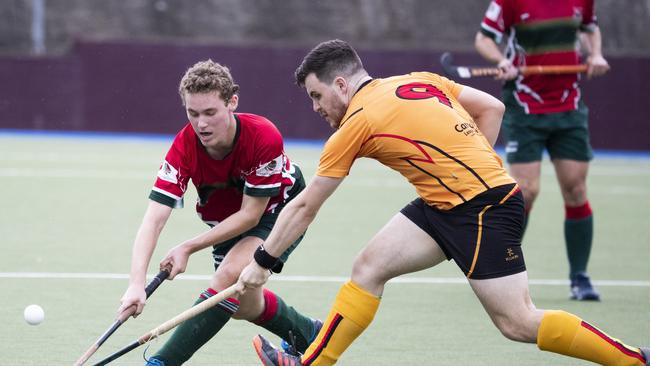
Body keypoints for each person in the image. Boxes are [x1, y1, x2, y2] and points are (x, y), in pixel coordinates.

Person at [237, 39, 648, 365]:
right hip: (444, 204)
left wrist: (262, 263)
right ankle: (311, 363)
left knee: (518, 321)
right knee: (369, 267)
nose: (316, 108)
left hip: (484, 208)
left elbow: (306, 206)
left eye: (317, 95)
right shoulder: (420, 79)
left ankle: (632, 360)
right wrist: (466, 166)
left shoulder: (356, 122)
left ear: (341, 85)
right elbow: (493, 107)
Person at [117, 59, 321, 366]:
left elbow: (252, 215)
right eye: (193, 113)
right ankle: (309, 334)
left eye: (210, 112)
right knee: (240, 304)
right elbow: (153, 219)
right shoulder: (183, 147)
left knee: (227, 278)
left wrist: (188, 246)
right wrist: (136, 282)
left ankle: (161, 362)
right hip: (229, 222)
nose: (201, 124)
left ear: (232, 102)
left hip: (278, 209)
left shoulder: (263, 136)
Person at [474, 0, 610, 300]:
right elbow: (484, 38)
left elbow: (590, 28)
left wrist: (596, 54)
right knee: (526, 191)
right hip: (525, 106)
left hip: (568, 106)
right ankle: (498, 269)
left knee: (575, 189)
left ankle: (579, 277)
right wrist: (501, 61)